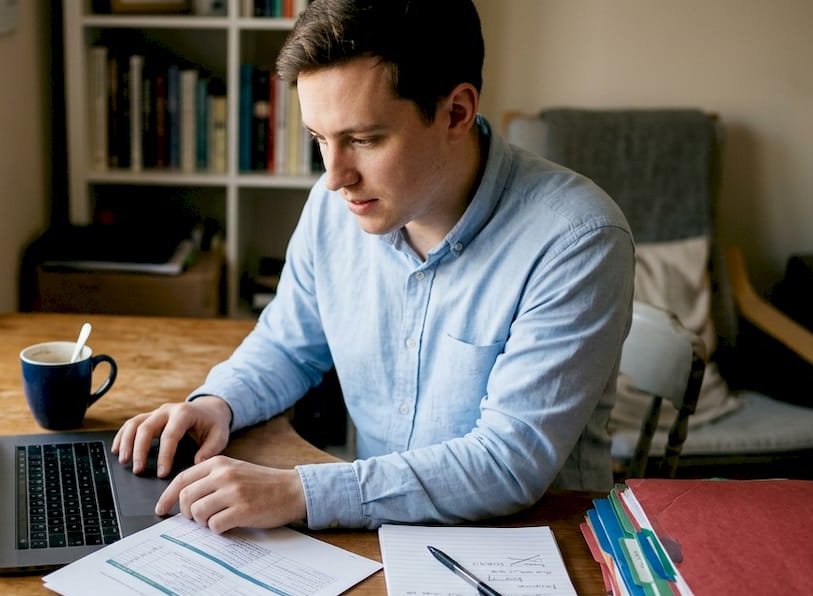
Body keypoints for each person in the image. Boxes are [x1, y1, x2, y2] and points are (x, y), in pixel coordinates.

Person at [112, 0, 633, 535]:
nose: (335, 176)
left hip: (535, 548)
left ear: (456, 112)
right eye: (320, 139)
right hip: (382, 533)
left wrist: (299, 490)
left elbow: (507, 463)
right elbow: (288, 342)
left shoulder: (578, 240)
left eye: (363, 140)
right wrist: (219, 402)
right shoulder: (334, 205)